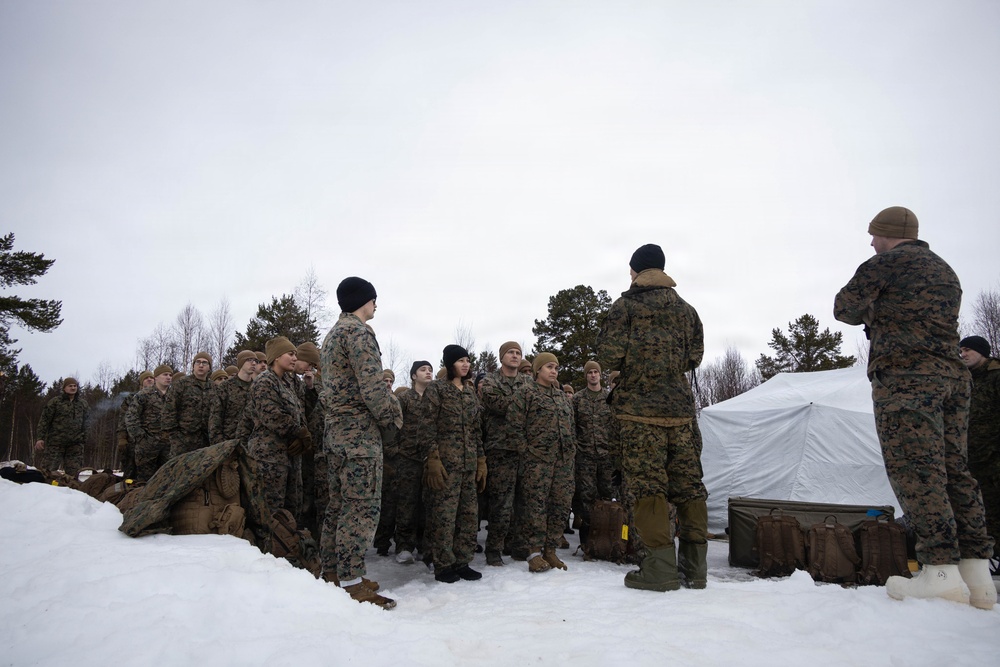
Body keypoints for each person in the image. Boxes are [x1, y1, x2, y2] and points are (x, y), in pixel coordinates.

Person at [834, 206, 995, 609]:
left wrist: (872, 310)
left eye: (875, 235)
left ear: (888, 234)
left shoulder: (884, 263)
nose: (872, 243)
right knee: (954, 469)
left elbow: (843, 308)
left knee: (917, 469)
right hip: (953, 378)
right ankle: (977, 575)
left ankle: (940, 571)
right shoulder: (945, 270)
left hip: (908, 378)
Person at [597, 243, 709, 591]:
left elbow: (608, 355)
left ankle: (659, 569)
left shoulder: (625, 307)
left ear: (636, 271)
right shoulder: (686, 309)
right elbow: (695, 357)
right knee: (689, 487)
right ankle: (695, 569)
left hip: (639, 415)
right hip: (680, 412)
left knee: (648, 488)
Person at [319, 276, 402, 609]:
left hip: (336, 433)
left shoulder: (332, 336)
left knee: (339, 506)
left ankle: (333, 573)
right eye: (373, 299)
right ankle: (351, 582)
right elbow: (372, 387)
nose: (376, 305)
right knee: (360, 509)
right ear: (362, 301)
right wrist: (393, 419)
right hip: (358, 437)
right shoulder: (358, 332)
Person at [420, 345, 487, 583]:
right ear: (450, 364)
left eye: (468, 360)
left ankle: (462, 561)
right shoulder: (436, 390)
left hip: (468, 466)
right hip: (446, 466)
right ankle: (443, 564)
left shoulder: (469, 393)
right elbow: (426, 426)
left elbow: (476, 429)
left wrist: (481, 459)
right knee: (444, 517)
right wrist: (433, 459)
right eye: (460, 360)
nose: (466, 364)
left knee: (468, 516)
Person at [506, 352, 576, 573]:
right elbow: (513, 425)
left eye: (556, 367)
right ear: (538, 370)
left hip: (563, 462)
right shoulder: (526, 393)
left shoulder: (561, 397)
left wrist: (571, 450)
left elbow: (570, 426)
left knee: (560, 505)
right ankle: (534, 552)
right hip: (537, 462)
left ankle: (550, 550)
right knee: (535, 506)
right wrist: (526, 452)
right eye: (549, 367)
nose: (554, 371)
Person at [479, 341, 532, 566]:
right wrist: (523, 404)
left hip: (525, 449)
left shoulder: (528, 381)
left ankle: (518, 546)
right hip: (500, 449)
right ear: (502, 357)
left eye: (518, 353)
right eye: (510, 352)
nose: (514, 356)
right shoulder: (491, 381)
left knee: (524, 501)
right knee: (501, 503)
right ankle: (494, 549)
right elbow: (496, 405)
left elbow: (535, 407)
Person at [245, 336, 309, 516]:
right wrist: (299, 432)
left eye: (296, 354)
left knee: (290, 511)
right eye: (290, 354)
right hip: (269, 457)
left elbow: (299, 410)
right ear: (277, 357)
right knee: (270, 511)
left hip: (288, 455)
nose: (295, 358)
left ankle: (286, 543)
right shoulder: (265, 381)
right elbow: (272, 415)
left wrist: (302, 437)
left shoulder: (287, 382)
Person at [959, 335, 1000, 572]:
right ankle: (989, 557)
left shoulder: (996, 376)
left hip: (995, 457)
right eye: (961, 350)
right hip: (972, 458)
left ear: (982, 352)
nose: (963, 354)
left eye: (967, 350)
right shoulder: (965, 380)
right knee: (981, 509)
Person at [572, 360, 617, 546]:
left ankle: (606, 539)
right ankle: (587, 541)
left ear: (600, 375)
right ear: (586, 376)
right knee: (586, 498)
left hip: (606, 457)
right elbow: (572, 426)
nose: (592, 375)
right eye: (589, 372)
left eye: (595, 372)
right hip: (585, 456)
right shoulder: (577, 399)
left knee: (607, 495)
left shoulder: (610, 398)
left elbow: (615, 426)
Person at [162, 352, 214, 459]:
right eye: (198, 362)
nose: (201, 365)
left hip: (205, 440)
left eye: (204, 363)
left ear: (209, 367)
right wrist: (174, 435)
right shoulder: (181, 384)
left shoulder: (214, 388)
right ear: (193, 366)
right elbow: (169, 410)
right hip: (182, 440)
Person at [126, 364, 174, 481]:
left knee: (166, 479)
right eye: (165, 374)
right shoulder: (144, 395)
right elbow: (131, 417)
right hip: (147, 446)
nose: (168, 377)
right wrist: (140, 438)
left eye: (170, 375)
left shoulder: (173, 396)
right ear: (156, 377)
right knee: (145, 480)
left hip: (168, 446)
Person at [34, 377, 89, 478]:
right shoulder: (55, 402)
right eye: (70, 386)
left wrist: (83, 437)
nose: (73, 388)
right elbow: (44, 420)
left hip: (75, 444)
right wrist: (40, 438)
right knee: (47, 472)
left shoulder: (82, 404)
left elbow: (87, 422)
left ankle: (71, 492)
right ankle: (43, 492)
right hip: (56, 443)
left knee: (73, 475)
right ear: (64, 388)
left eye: (75, 386)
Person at [208, 350, 256, 444]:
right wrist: (219, 445)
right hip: (229, 442)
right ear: (241, 363)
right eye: (249, 360)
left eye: (255, 361)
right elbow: (215, 418)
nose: (254, 363)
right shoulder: (225, 387)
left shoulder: (258, 387)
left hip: (252, 444)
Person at [117, 370, 153, 477]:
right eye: (146, 378)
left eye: (151, 378)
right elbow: (123, 420)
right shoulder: (131, 398)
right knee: (130, 472)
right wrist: (122, 438)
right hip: (133, 440)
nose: (150, 380)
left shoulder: (159, 397)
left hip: (152, 441)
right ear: (141, 382)